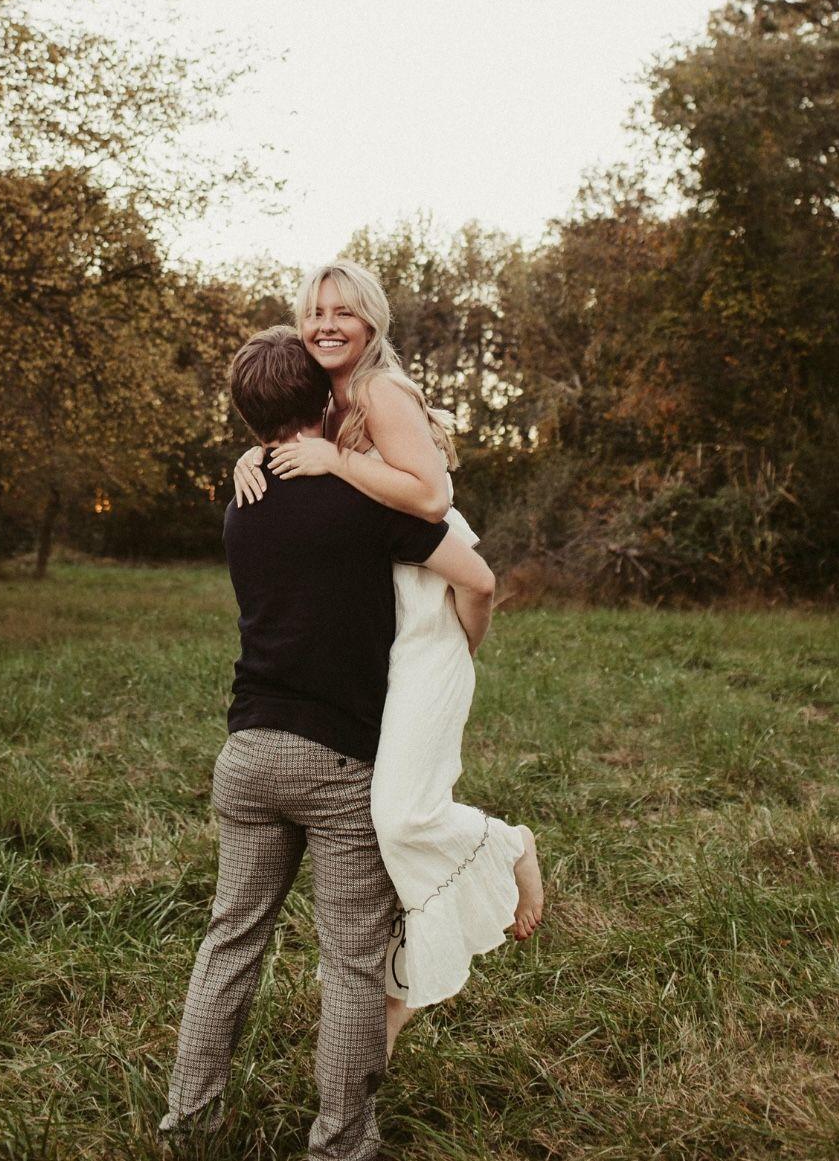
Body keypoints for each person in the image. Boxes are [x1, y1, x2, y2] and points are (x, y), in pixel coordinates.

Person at [159, 326, 498, 1161]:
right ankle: (341, 1144)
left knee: (230, 939)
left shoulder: (241, 501)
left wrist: (256, 451)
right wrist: (464, 645)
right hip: (338, 759)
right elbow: (476, 576)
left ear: (248, 415)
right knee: (349, 963)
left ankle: (188, 1124)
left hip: (246, 752)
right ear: (323, 402)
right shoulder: (365, 502)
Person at [232, 259, 544, 1057]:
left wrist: (336, 462)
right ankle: (397, 996)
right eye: (313, 311)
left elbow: (432, 499)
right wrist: (253, 456)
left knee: (400, 816)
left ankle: (507, 845)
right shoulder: (330, 400)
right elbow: (294, 445)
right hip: (387, 625)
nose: (326, 324)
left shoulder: (377, 391)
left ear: (371, 320)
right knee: (384, 829)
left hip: (428, 615)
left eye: (343, 311)